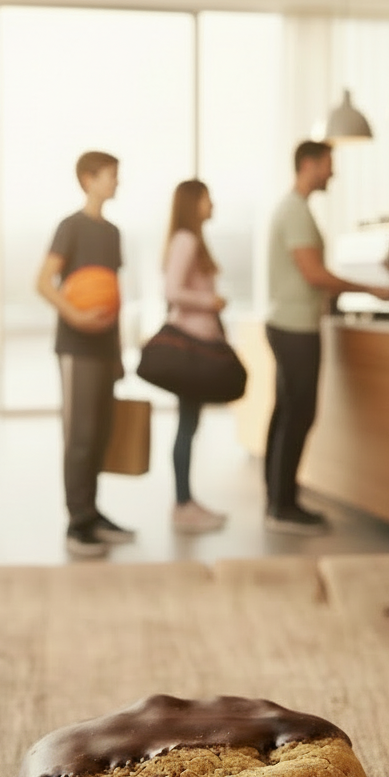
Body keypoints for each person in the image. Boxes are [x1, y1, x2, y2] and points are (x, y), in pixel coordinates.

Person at [264, 139, 389, 534]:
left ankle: (278, 500)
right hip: (295, 326)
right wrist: (371, 289)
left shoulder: (293, 209)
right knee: (299, 414)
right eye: (328, 163)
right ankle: (282, 506)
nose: (333, 172)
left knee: (286, 412)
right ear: (309, 164)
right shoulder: (295, 211)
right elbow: (314, 274)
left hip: (289, 323)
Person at [36, 150, 134, 558]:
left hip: (104, 348)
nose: (117, 182)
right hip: (76, 348)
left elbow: (113, 296)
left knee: (99, 435)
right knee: (78, 435)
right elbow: (43, 283)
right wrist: (76, 316)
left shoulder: (112, 233)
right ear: (88, 180)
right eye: (111, 175)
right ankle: (77, 524)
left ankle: (93, 513)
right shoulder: (70, 227)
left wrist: (117, 352)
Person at [162, 179, 229, 535]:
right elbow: (172, 291)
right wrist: (211, 302)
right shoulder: (186, 240)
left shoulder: (189, 240)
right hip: (190, 348)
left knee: (188, 425)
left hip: (197, 346)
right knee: (187, 426)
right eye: (207, 198)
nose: (212, 203)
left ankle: (186, 500)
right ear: (194, 203)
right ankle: (183, 503)